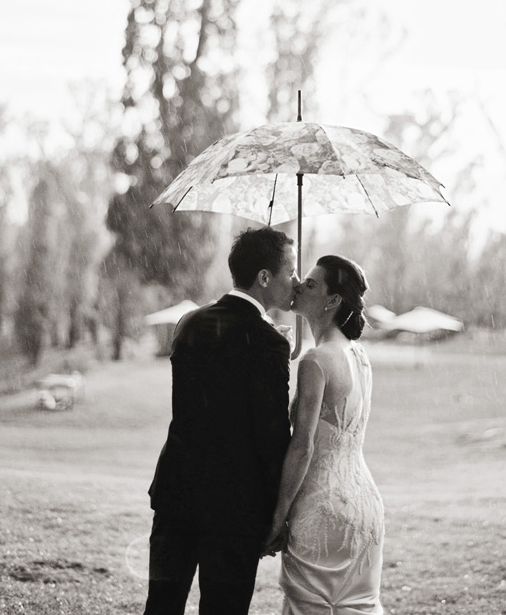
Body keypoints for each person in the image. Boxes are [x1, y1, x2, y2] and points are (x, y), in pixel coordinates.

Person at [143, 226, 299, 615]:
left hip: (177, 494)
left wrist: (271, 344)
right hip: (234, 508)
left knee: (161, 606)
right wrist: (277, 513)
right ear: (264, 277)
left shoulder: (190, 323)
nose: (296, 281)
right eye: (290, 271)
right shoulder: (268, 342)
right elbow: (272, 438)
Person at [264, 254, 384, 614]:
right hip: (366, 507)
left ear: (333, 301)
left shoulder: (315, 362)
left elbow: (303, 447)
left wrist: (277, 517)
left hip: (323, 509)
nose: (299, 285)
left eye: (312, 284)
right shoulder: (359, 357)